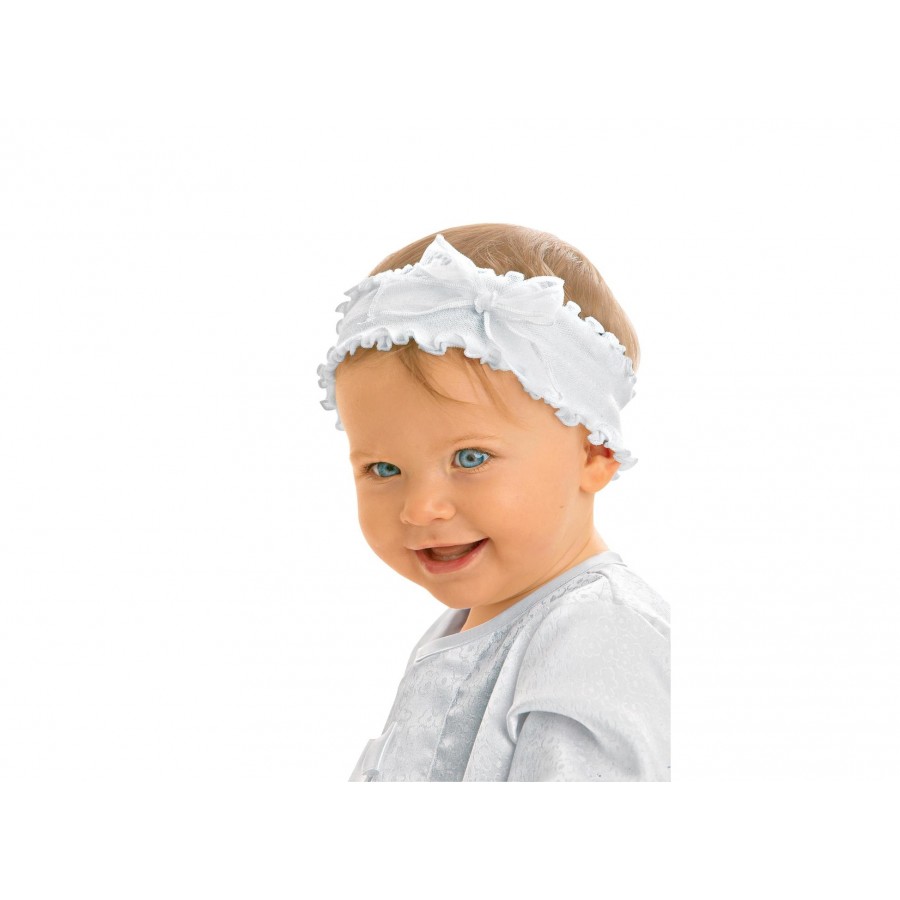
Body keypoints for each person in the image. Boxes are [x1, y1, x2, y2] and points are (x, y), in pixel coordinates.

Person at [316, 223, 670, 781]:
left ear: (594, 451)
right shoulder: (466, 626)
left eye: (470, 458)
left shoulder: (598, 635)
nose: (420, 509)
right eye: (383, 469)